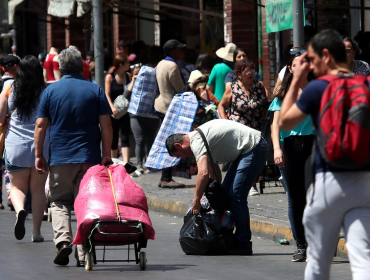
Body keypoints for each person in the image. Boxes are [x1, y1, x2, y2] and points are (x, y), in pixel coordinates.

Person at [280, 29, 370, 279]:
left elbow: (285, 122)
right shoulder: (365, 83)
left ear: (327, 56)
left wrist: (297, 79)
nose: (310, 65)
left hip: (329, 180)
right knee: (363, 257)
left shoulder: (319, 87)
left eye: (312, 59)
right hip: (364, 182)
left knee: (318, 260)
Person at [34, 47, 112, 266]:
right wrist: (107, 154)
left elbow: (40, 124)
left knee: (59, 202)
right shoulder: (95, 90)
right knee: (85, 203)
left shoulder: (50, 91)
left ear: (59, 67)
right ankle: (83, 251)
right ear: (81, 66)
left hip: (60, 157)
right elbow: (106, 123)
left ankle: (63, 242)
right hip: (89, 157)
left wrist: (39, 155)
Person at [165, 119, 268, 255]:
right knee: (226, 194)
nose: (183, 159)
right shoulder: (198, 138)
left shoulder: (196, 142)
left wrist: (196, 201)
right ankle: (226, 238)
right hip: (245, 151)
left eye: (180, 155)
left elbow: (203, 173)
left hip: (254, 147)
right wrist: (210, 197)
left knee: (236, 196)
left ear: (179, 145)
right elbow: (214, 173)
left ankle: (244, 243)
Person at [269, 53, 314, 262]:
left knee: (313, 195)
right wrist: (277, 149)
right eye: (296, 64)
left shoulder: (317, 91)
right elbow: (275, 124)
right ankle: (301, 245)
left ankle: (316, 241)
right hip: (289, 147)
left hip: (313, 145)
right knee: (296, 198)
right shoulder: (283, 95)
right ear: (290, 69)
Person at [0, 55, 49, 242]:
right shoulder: (45, 92)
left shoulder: (11, 89)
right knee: (37, 190)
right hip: (41, 146)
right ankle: (36, 232)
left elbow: (0, 116)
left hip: (16, 145)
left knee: (16, 187)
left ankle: (20, 210)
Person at [155, 39, 207, 188]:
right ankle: (166, 178)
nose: (183, 52)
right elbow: (181, 89)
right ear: (173, 51)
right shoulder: (172, 66)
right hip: (169, 108)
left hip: (160, 106)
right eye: (180, 49)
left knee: (168, 141)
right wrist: (196, 82)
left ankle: (166, 177)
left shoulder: (160, 64)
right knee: (172, 143)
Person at [0, 54, 20, 210]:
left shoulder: (0, 83)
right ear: (15, 67)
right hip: (8, 129)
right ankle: (12, 195)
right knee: (8, 164)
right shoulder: (14, 86)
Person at [104, 54, 131, 162]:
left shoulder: (127, 76)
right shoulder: (109, 77)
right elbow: (107, 94)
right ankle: (114, 162)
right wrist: (112, 107)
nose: (129, 64)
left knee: (125, 136)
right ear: (121, 65)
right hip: (113, 112)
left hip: (125, 111)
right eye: (127, 62)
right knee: (114, 137)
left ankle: (126, 162)